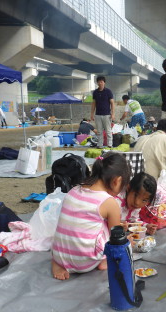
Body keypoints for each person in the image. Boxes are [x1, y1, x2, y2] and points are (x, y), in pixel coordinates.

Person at [51, 152, 131, 280]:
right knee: (114, 233)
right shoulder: (109, 202)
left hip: (58, 254)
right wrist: (127, 239)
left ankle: (59, 263)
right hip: (84, 261)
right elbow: (115, 239)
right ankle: (103, 261)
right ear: (117, 181)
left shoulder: (74, 189)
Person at [90, 76, 114, 148]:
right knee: (99, 131)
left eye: (101, 82)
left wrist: (113, 114)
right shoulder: (95, 92)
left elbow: (112, 103)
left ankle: (110, 144)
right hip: (98, 115)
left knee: (108, 130)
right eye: (99, 82)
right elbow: (94, 103)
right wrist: (92, 114)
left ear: (104, 82)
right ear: (97, 83)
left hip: (107, 114)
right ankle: (100, 144)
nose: (100, 83)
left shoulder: (108, 91)